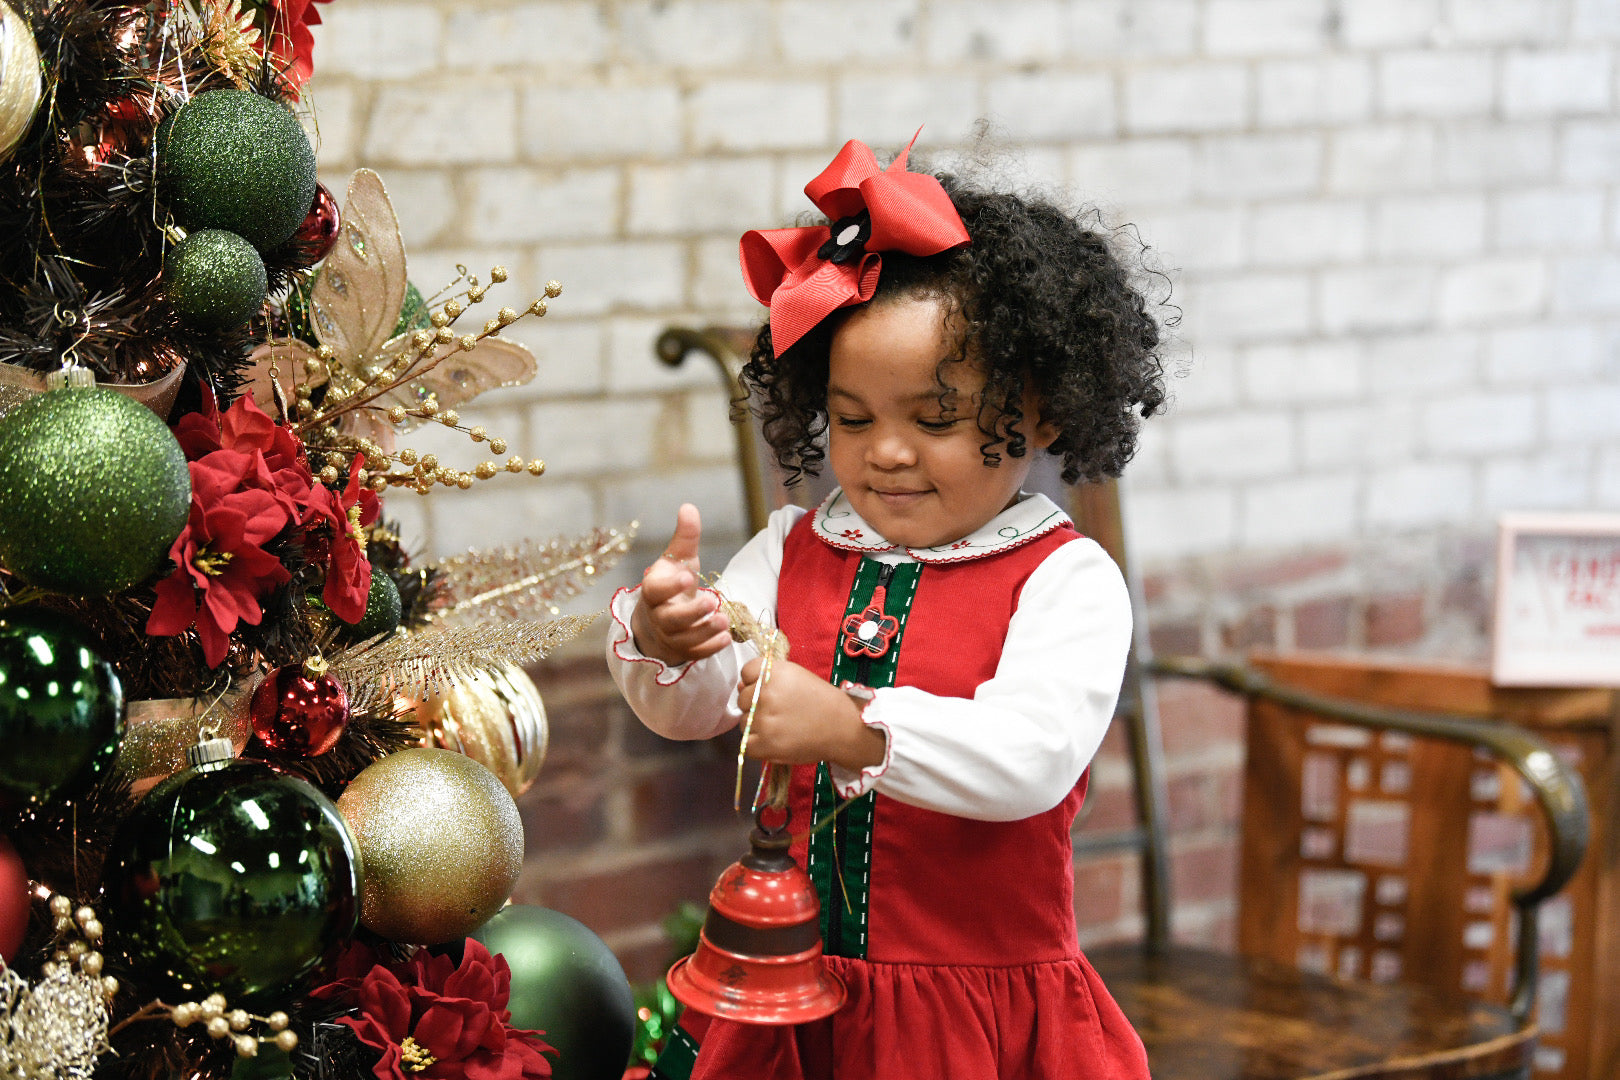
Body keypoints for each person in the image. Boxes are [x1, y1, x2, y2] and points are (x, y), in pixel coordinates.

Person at [607, 134, 1166, 1080]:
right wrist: (673, 637)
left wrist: (853, 726)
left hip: (975, 1025)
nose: (887, 453)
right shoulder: (790, 549)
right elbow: (703, 706)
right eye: (855, 419)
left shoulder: (1067, 580)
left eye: (936, 419)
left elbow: (1029, 758)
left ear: (1039, 413)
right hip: (792, 1007)